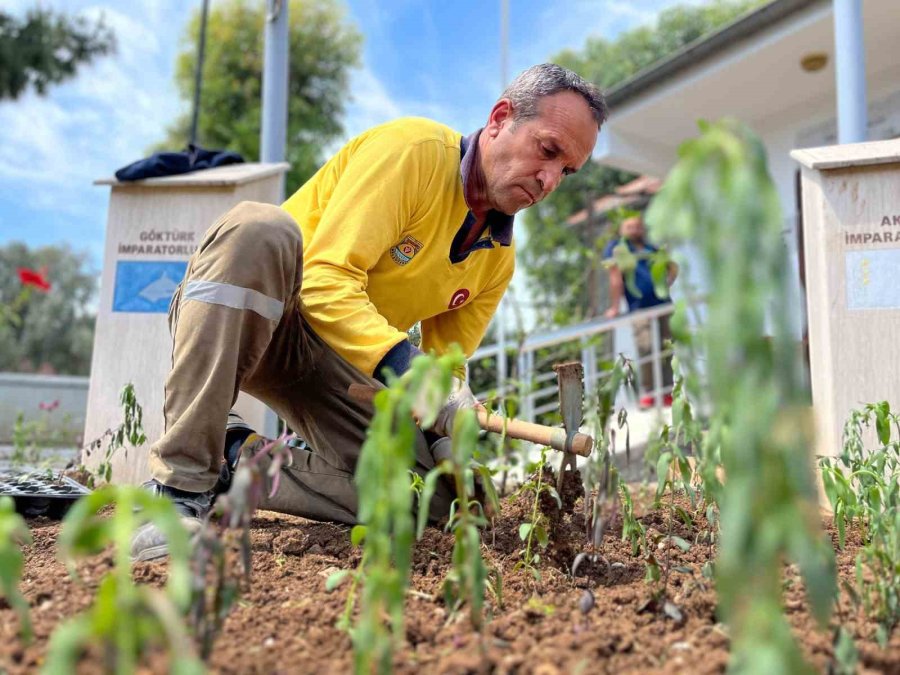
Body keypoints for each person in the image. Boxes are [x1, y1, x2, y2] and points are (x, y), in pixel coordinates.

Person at [130, 63, 607, 561]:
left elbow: (444, 370)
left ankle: (239, 461)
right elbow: (322, 280)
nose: (550, 179)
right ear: (500, 118)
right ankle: (179, 488)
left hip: (340, 363)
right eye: (548, 151)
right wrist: (407, 368)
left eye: (566, 171)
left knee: (433, 503)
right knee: (260, 228)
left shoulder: (495, 260)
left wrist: (451, 454)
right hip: (260, 310)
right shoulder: (413, 154)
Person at [603, 215, 677, 409]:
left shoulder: (651, 249)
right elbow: (615, 278)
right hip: (639, 307)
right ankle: (649, 392)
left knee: (666, 348)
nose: (634, 230)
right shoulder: (616, 249)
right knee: (646, 347)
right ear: (621, 229)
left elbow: (672, 267)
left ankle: (667, 392)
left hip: (662, 304)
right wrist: (615, 307)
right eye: (629, 226)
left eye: (637, 226)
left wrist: (666, 283)